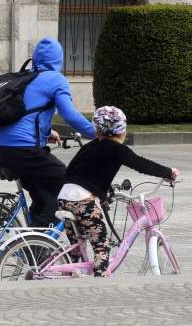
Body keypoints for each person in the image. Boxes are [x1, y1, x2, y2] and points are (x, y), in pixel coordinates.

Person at [57, 106, 179, 277]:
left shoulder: (89, 146)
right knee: (101, 242)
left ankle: (68, 273)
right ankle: (100, 278)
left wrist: (102, 191)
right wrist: (168, 172)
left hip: (64, 196)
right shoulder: (117, 149)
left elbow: (77, 172)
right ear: (120, 129)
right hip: (82, 200)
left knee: (77, 243)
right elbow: (141, 164)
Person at [0, 36, 96, 227]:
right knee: (69, 184)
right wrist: (96, 132)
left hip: (0, 148)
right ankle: (38, 250)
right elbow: (70, 115)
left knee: (45, 197)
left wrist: (47, 133)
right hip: (25, 151)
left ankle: (35, 248)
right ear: (59, 59)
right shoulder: (55, 79)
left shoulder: (24, 77)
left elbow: (25, 113)